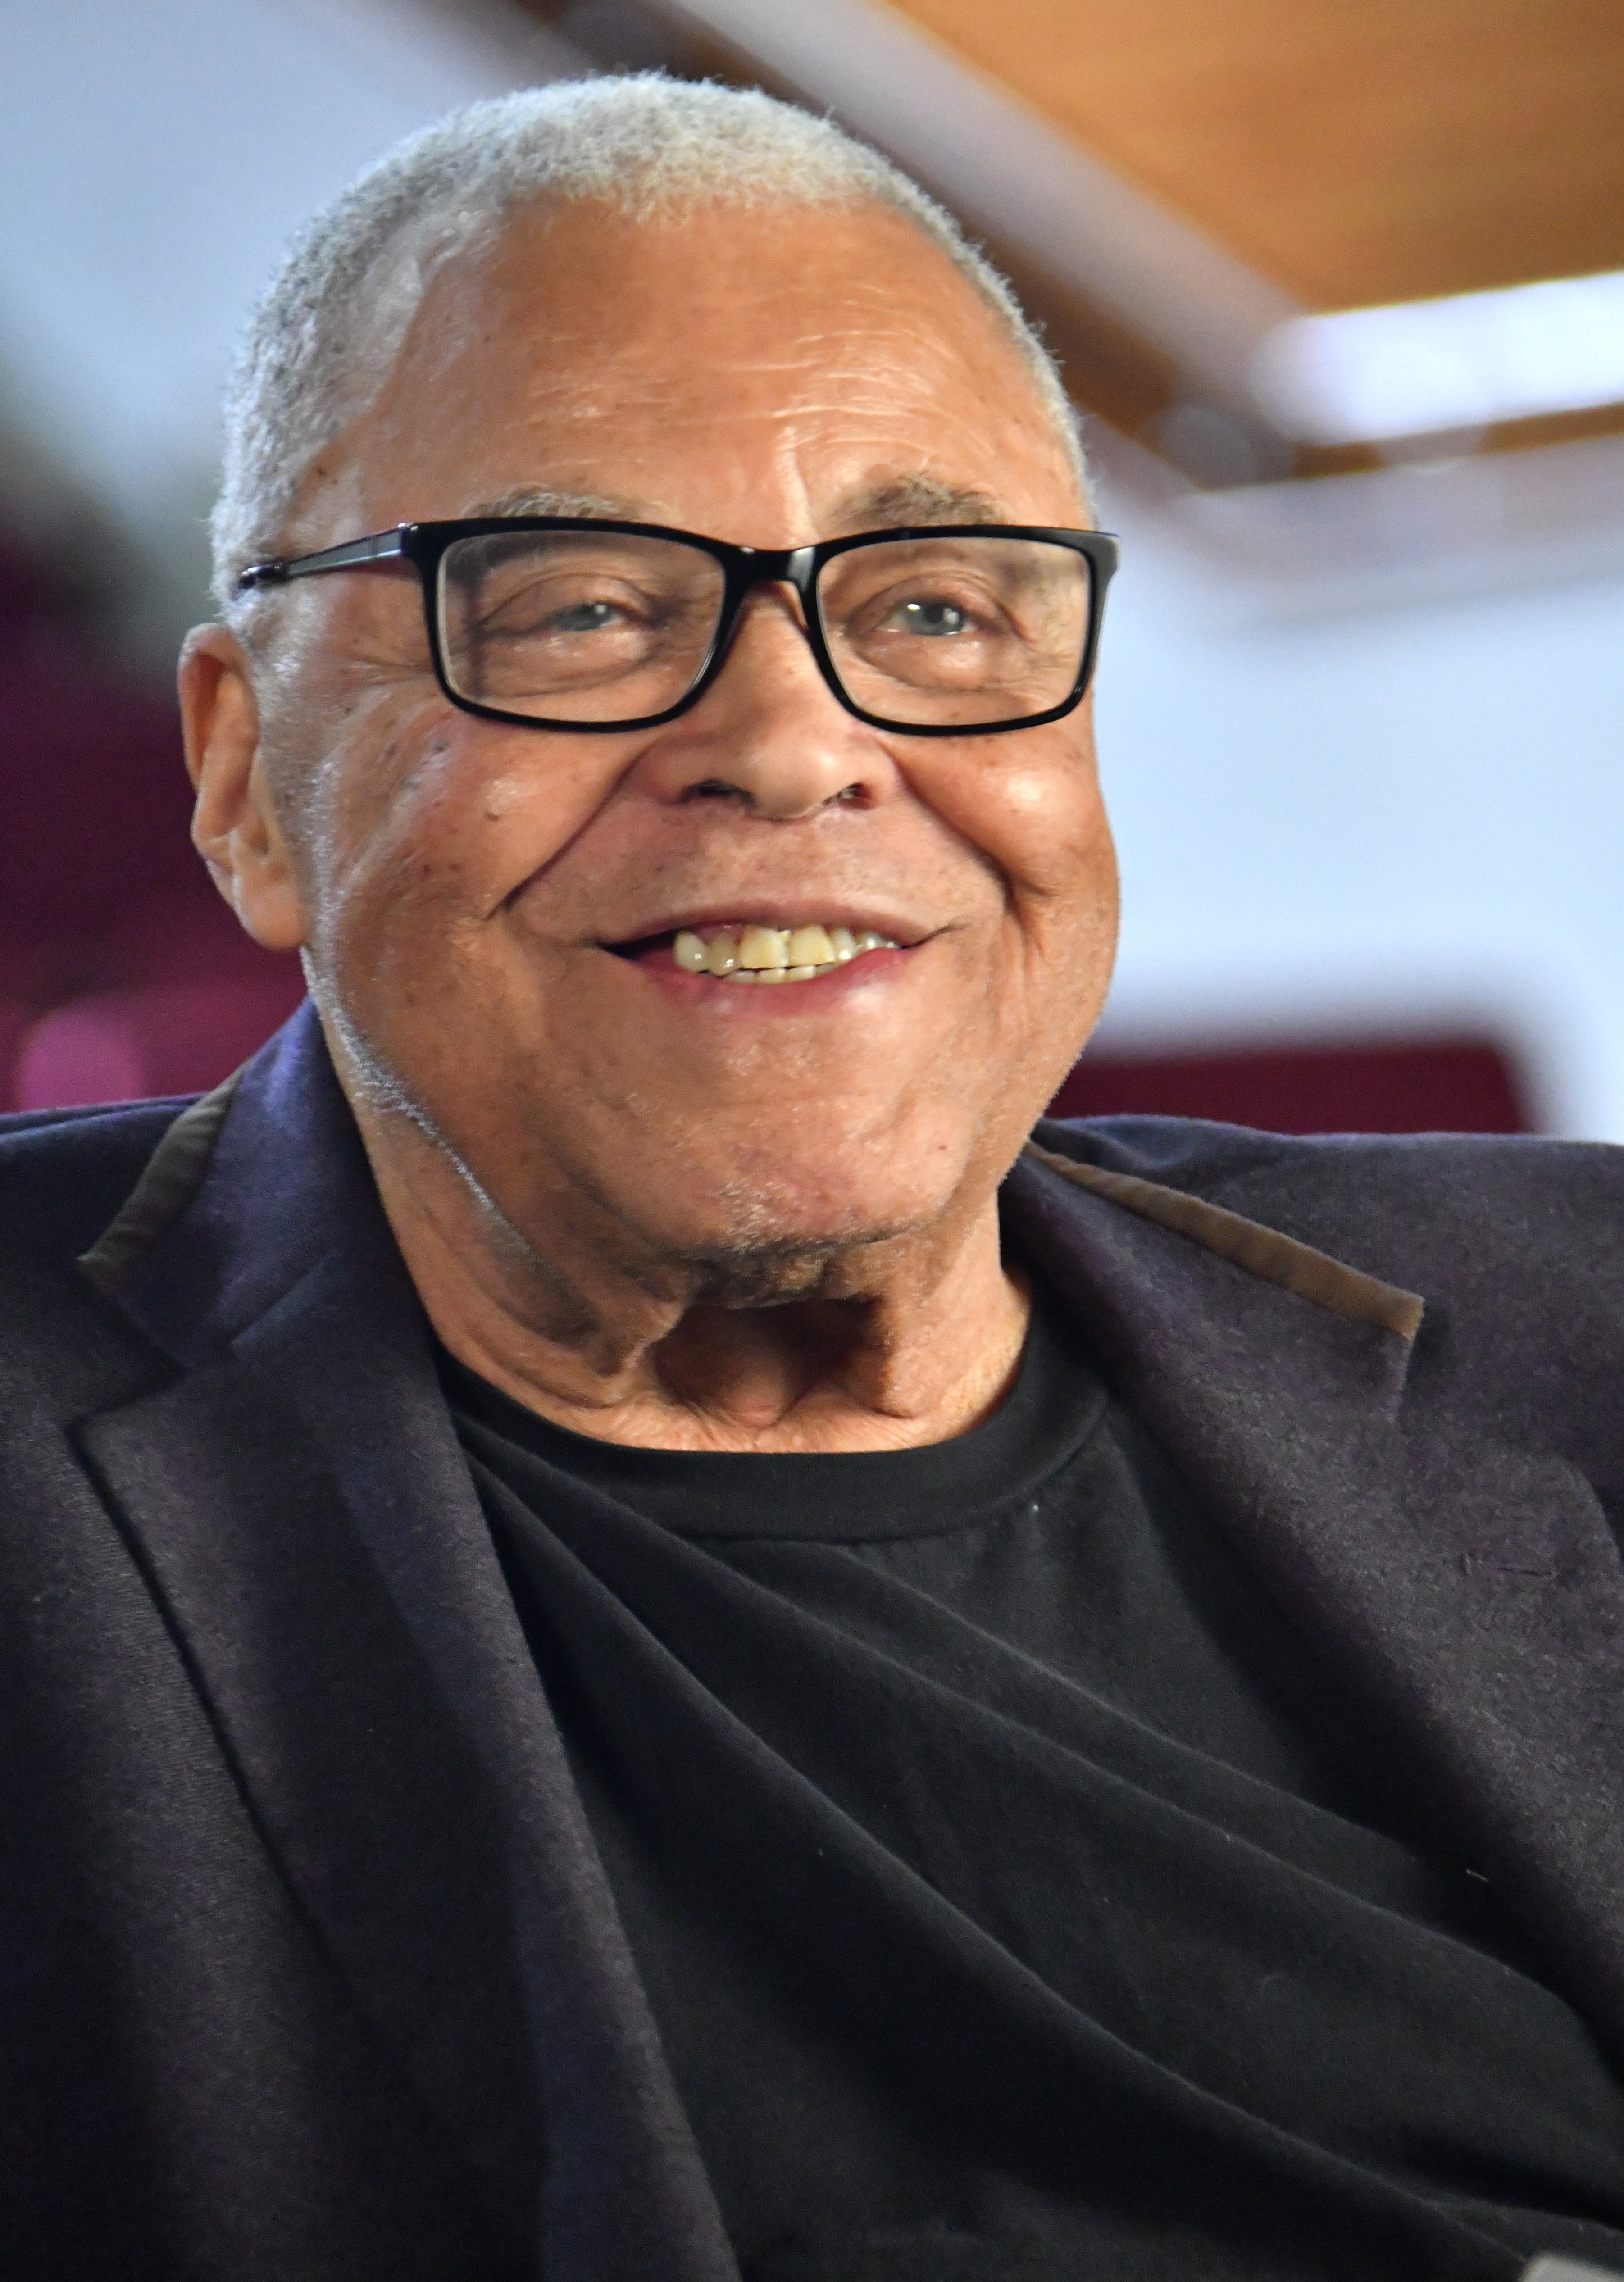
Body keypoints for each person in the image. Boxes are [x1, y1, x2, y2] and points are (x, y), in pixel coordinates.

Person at [2, 74, 1622, 2282]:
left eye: (941, 610)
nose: (789, 738)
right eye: (576, 608)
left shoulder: (1579, 1322)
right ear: (243, 783)